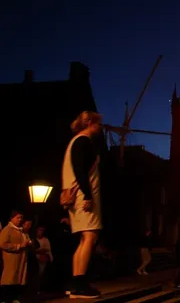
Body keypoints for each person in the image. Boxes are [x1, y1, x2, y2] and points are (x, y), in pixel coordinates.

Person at [62, 111, 104, 298]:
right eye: (98, 124)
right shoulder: (83, 142)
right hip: (83, 197)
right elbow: (80, 169)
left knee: (83, 239)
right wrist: (87, 195)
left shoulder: (74, 142)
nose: (100, 127)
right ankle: (80, 284)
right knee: (90, 237)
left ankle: (75, 282)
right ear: (90, 124)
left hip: (75, 195)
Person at [0, 210, 30, 303]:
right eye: (17, 217)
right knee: (9, 279)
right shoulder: (7, 229)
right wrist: (18, 246)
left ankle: (14, 298)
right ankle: (6, 299)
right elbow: (3, 244)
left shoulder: (20, 230)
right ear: (12, 218)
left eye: (21, 218)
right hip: (11, 259)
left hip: (20, 259)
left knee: (17, 279)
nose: (20, 220)